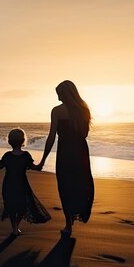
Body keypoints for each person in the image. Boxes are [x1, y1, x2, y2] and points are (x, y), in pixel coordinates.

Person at [38, 80, 94, 236]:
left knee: (65, 186)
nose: (58, 99)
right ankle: (80, 211)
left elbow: (51, 137)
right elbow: (85, 134)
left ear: (65, 94)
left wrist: (43, 160)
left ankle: (68, 224)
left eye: (59, 95)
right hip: (81, 152)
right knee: (82, 183)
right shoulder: (84, 110)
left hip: (65, 152)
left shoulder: (57, 111)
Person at [0, 128, 50, 236]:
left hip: (8, 184)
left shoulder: (7, 156)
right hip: (22, 185)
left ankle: (14, 228)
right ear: (23, 141)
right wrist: (43, 161)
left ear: (9, 141)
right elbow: (36, 168)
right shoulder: (26, 155)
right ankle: (16, 226)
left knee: (11, 206)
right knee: (22, 207)